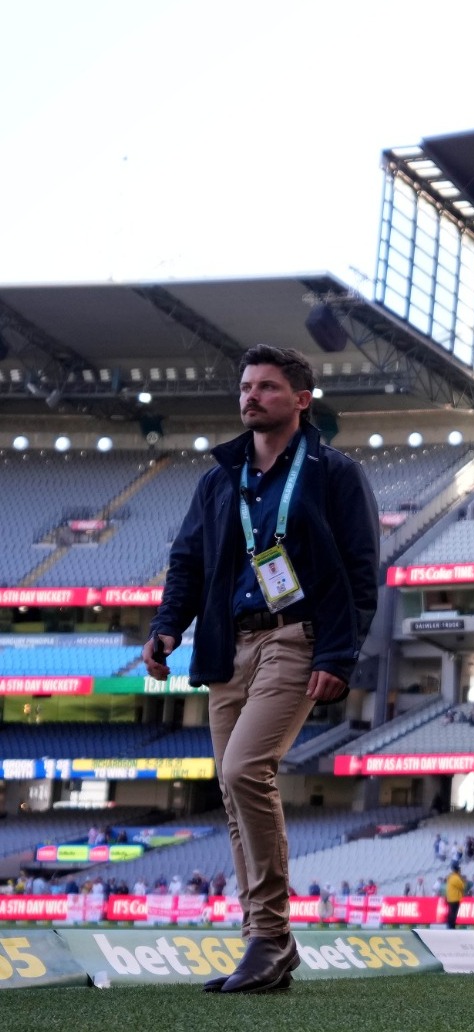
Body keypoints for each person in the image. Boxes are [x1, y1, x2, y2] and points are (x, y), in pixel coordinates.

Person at [145, 344, 378, 995]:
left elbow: (361, 572)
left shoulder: (333, 472)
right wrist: (168, 625)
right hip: (227, 646)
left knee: (245, 769)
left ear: (302, 399)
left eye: (268, 387)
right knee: (232, 790)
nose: (252, 397)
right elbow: (188, 561)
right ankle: (263, 943)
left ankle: (271, 936)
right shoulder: (219, 479)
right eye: (246, 386)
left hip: (295, 639)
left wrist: (338, 655)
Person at [444, 861, 466, 930]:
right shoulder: (456, 878)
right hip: (455, 898)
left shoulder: (450, 877)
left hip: (450, 897)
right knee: (453, 913)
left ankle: (450, 925)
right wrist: (462, 879)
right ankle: (451, 926)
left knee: (451, 912)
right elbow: (462, 886)